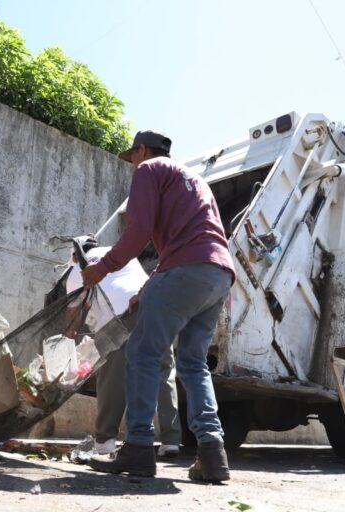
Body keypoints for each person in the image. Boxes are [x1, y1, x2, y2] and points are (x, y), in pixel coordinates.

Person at [82, 130, 235, 482]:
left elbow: (137, 233)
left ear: (141, 150)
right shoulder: (196, 180)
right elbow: (188, 245)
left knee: (143, 354)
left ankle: (137, 446)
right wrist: (149, 286)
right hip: (219, 276)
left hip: (186, 269)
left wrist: (101, 268)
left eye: (132, 156)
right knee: (194, 364)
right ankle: (213, 454)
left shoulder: (148, 170)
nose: (132, 164)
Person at [65, 236, 182, 458]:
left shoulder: (77, 270)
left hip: (120, 319)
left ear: (74, 254)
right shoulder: (118, 254)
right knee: (163, 371)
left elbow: (72, 317)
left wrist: (66, 345)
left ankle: (105, 440)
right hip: (155, 309)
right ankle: (171, 441)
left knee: (112, 377)